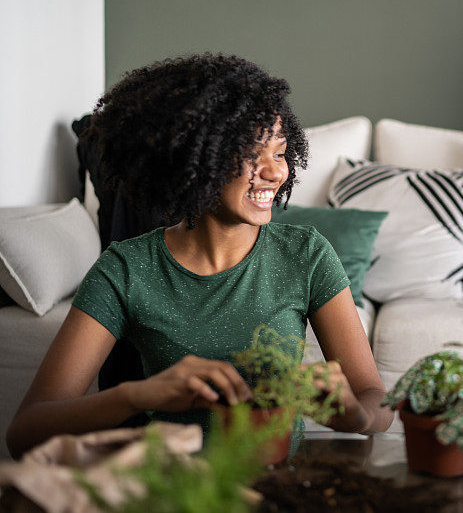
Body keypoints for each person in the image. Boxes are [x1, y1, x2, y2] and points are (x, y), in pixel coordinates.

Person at [6, 54, 393, 459]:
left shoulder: (305, 253)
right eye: (250, 153)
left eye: (279, 152)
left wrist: (356, 417)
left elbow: (374, 400)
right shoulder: (126, 269)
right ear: (192, 158)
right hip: (170, 486)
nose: (276, 172)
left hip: (276, 488)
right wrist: (138, 395)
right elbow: (25, 433)